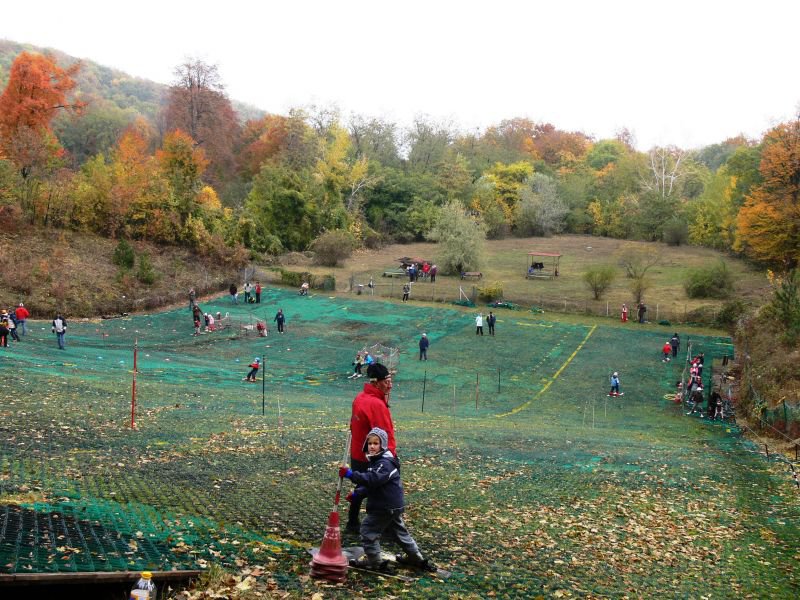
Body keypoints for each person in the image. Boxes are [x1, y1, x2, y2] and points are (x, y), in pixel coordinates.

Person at [339, 427, 435, 573]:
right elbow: (373, 485)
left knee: (368, 530)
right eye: (370, 443)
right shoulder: (378, 462)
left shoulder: (385, 463)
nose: (372, 446)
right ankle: (416, 558)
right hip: (392, 505)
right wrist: (357, 494)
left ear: (382, 445)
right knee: (399, 532)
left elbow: (373, 480)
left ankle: (375, 561)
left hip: (384, 506)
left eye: (376, 443)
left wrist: (351, 474)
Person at [347, 362, 396, 535]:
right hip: (372, 457)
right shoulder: (375, 404)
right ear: (375, 382)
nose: (390, 385)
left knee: (362, 488)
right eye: (386, 381)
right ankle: (386, 528)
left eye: (390, 380)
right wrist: (390, 457)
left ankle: (352, 522)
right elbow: (384, 434)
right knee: (384, 491)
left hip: (357, 453)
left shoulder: (360, 398)